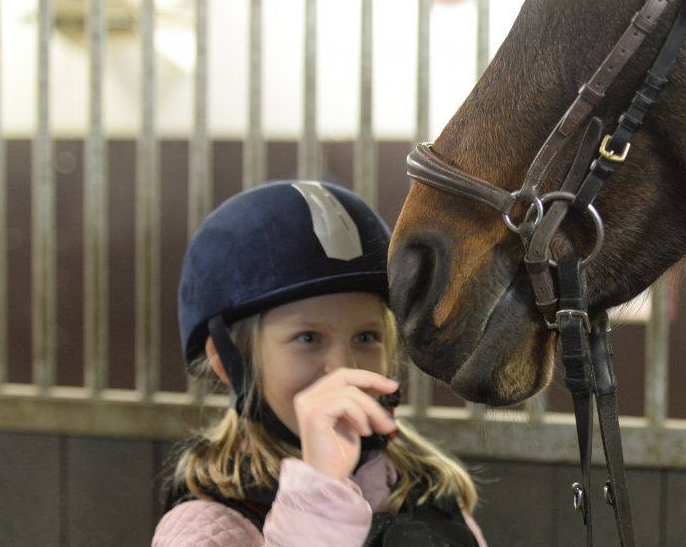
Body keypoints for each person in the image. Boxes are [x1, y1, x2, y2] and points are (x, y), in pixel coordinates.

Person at [153, 180, 486, 547]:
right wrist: (319, 496)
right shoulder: (205, 525)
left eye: (366, 337)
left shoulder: (429, 490)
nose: (342, 367)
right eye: (308, 339)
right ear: (228, 361)